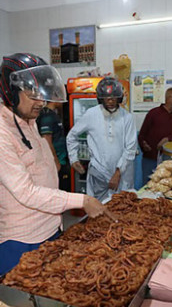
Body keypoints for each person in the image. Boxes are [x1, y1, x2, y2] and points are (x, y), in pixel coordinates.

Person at [0, 53, 106, 275]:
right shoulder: (2, 133)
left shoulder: (29, 121)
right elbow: (26, 192)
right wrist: (82, 200)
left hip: (51, 228)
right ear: (10, 93)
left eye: (43, 96)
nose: (42, 103)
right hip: (22, 240)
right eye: (33, 95)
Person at [67, 77, 137, 202]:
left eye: (114, 98)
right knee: (98, 209)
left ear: (119, 98)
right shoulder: (91, 114)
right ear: (100, 99)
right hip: (99, 172)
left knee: (122, 208)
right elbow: (71, 136)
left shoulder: (127, 117)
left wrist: (117, 173)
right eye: (107, 98)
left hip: (122, 174)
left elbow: (130, 148)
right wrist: (73, 158)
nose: (110, 101)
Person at [137, 87, 172, 183]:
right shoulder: (154, 113)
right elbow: (142, 134)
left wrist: (167, 139)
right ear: (168, 98)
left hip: (171, 160)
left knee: (168, 186)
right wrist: (144, 144)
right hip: (150, 158)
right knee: (148, 184)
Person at [36, 101, 70, 191]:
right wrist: (56, 162)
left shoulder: (52, 114)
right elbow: (47, 140)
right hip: (56, 162)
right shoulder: (47, 116)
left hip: (61, 160)